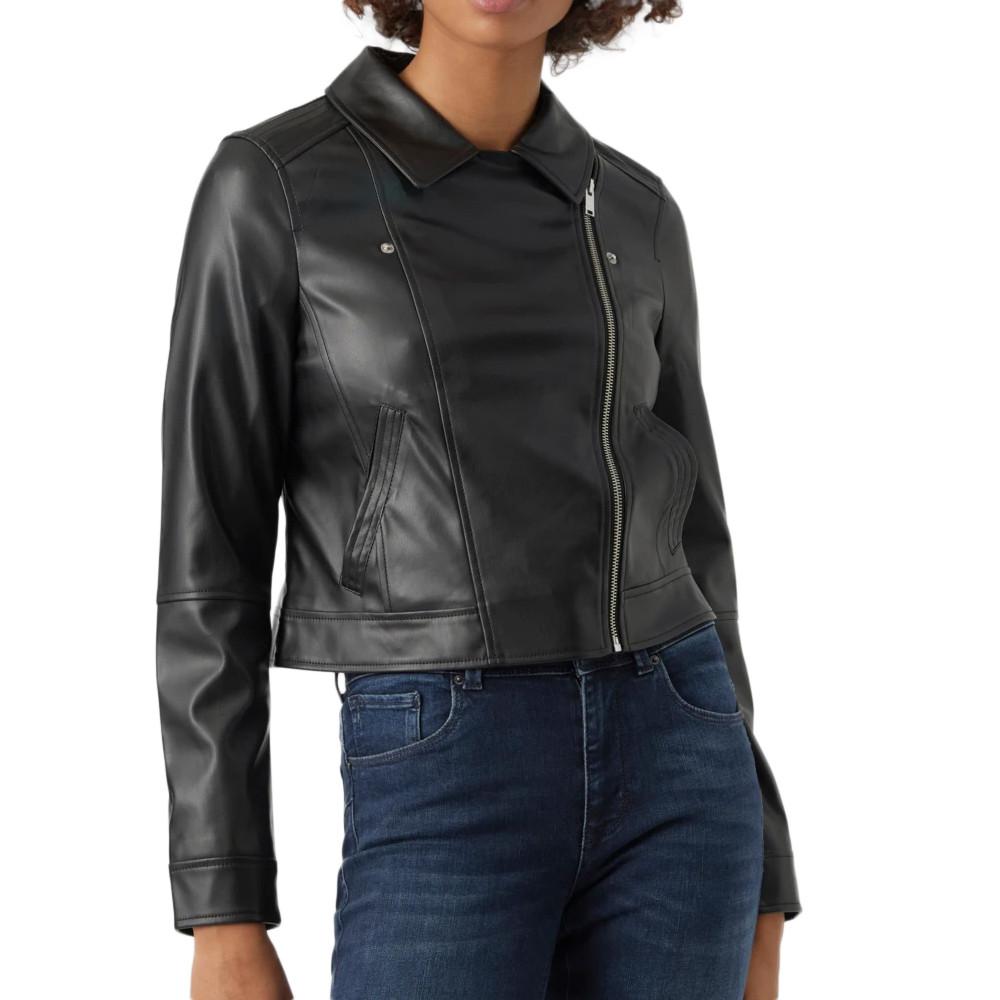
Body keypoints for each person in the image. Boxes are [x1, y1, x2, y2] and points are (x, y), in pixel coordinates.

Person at [156, 0, 801, 996]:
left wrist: (769, 873)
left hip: (679, 764)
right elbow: (210, 564)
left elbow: (698, 549)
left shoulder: (634, 209)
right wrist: (222, 909)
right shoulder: (275, 184)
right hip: (443, 764)